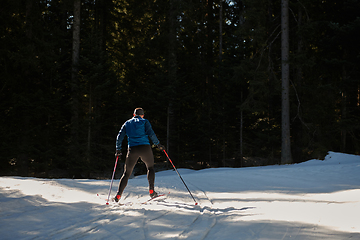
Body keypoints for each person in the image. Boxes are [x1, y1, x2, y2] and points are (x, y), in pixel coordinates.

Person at [114, 108, 165, 202]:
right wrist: (158, 144)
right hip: (145, 148)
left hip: (132, 149)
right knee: (150, 168)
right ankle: (151, 190)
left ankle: (118, 195)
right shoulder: (145, 122)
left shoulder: (127, 123)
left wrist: (118, 149)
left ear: (133, 115)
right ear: (143, 115)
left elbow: (119, 136)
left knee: (126, 173)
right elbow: (151, 134)